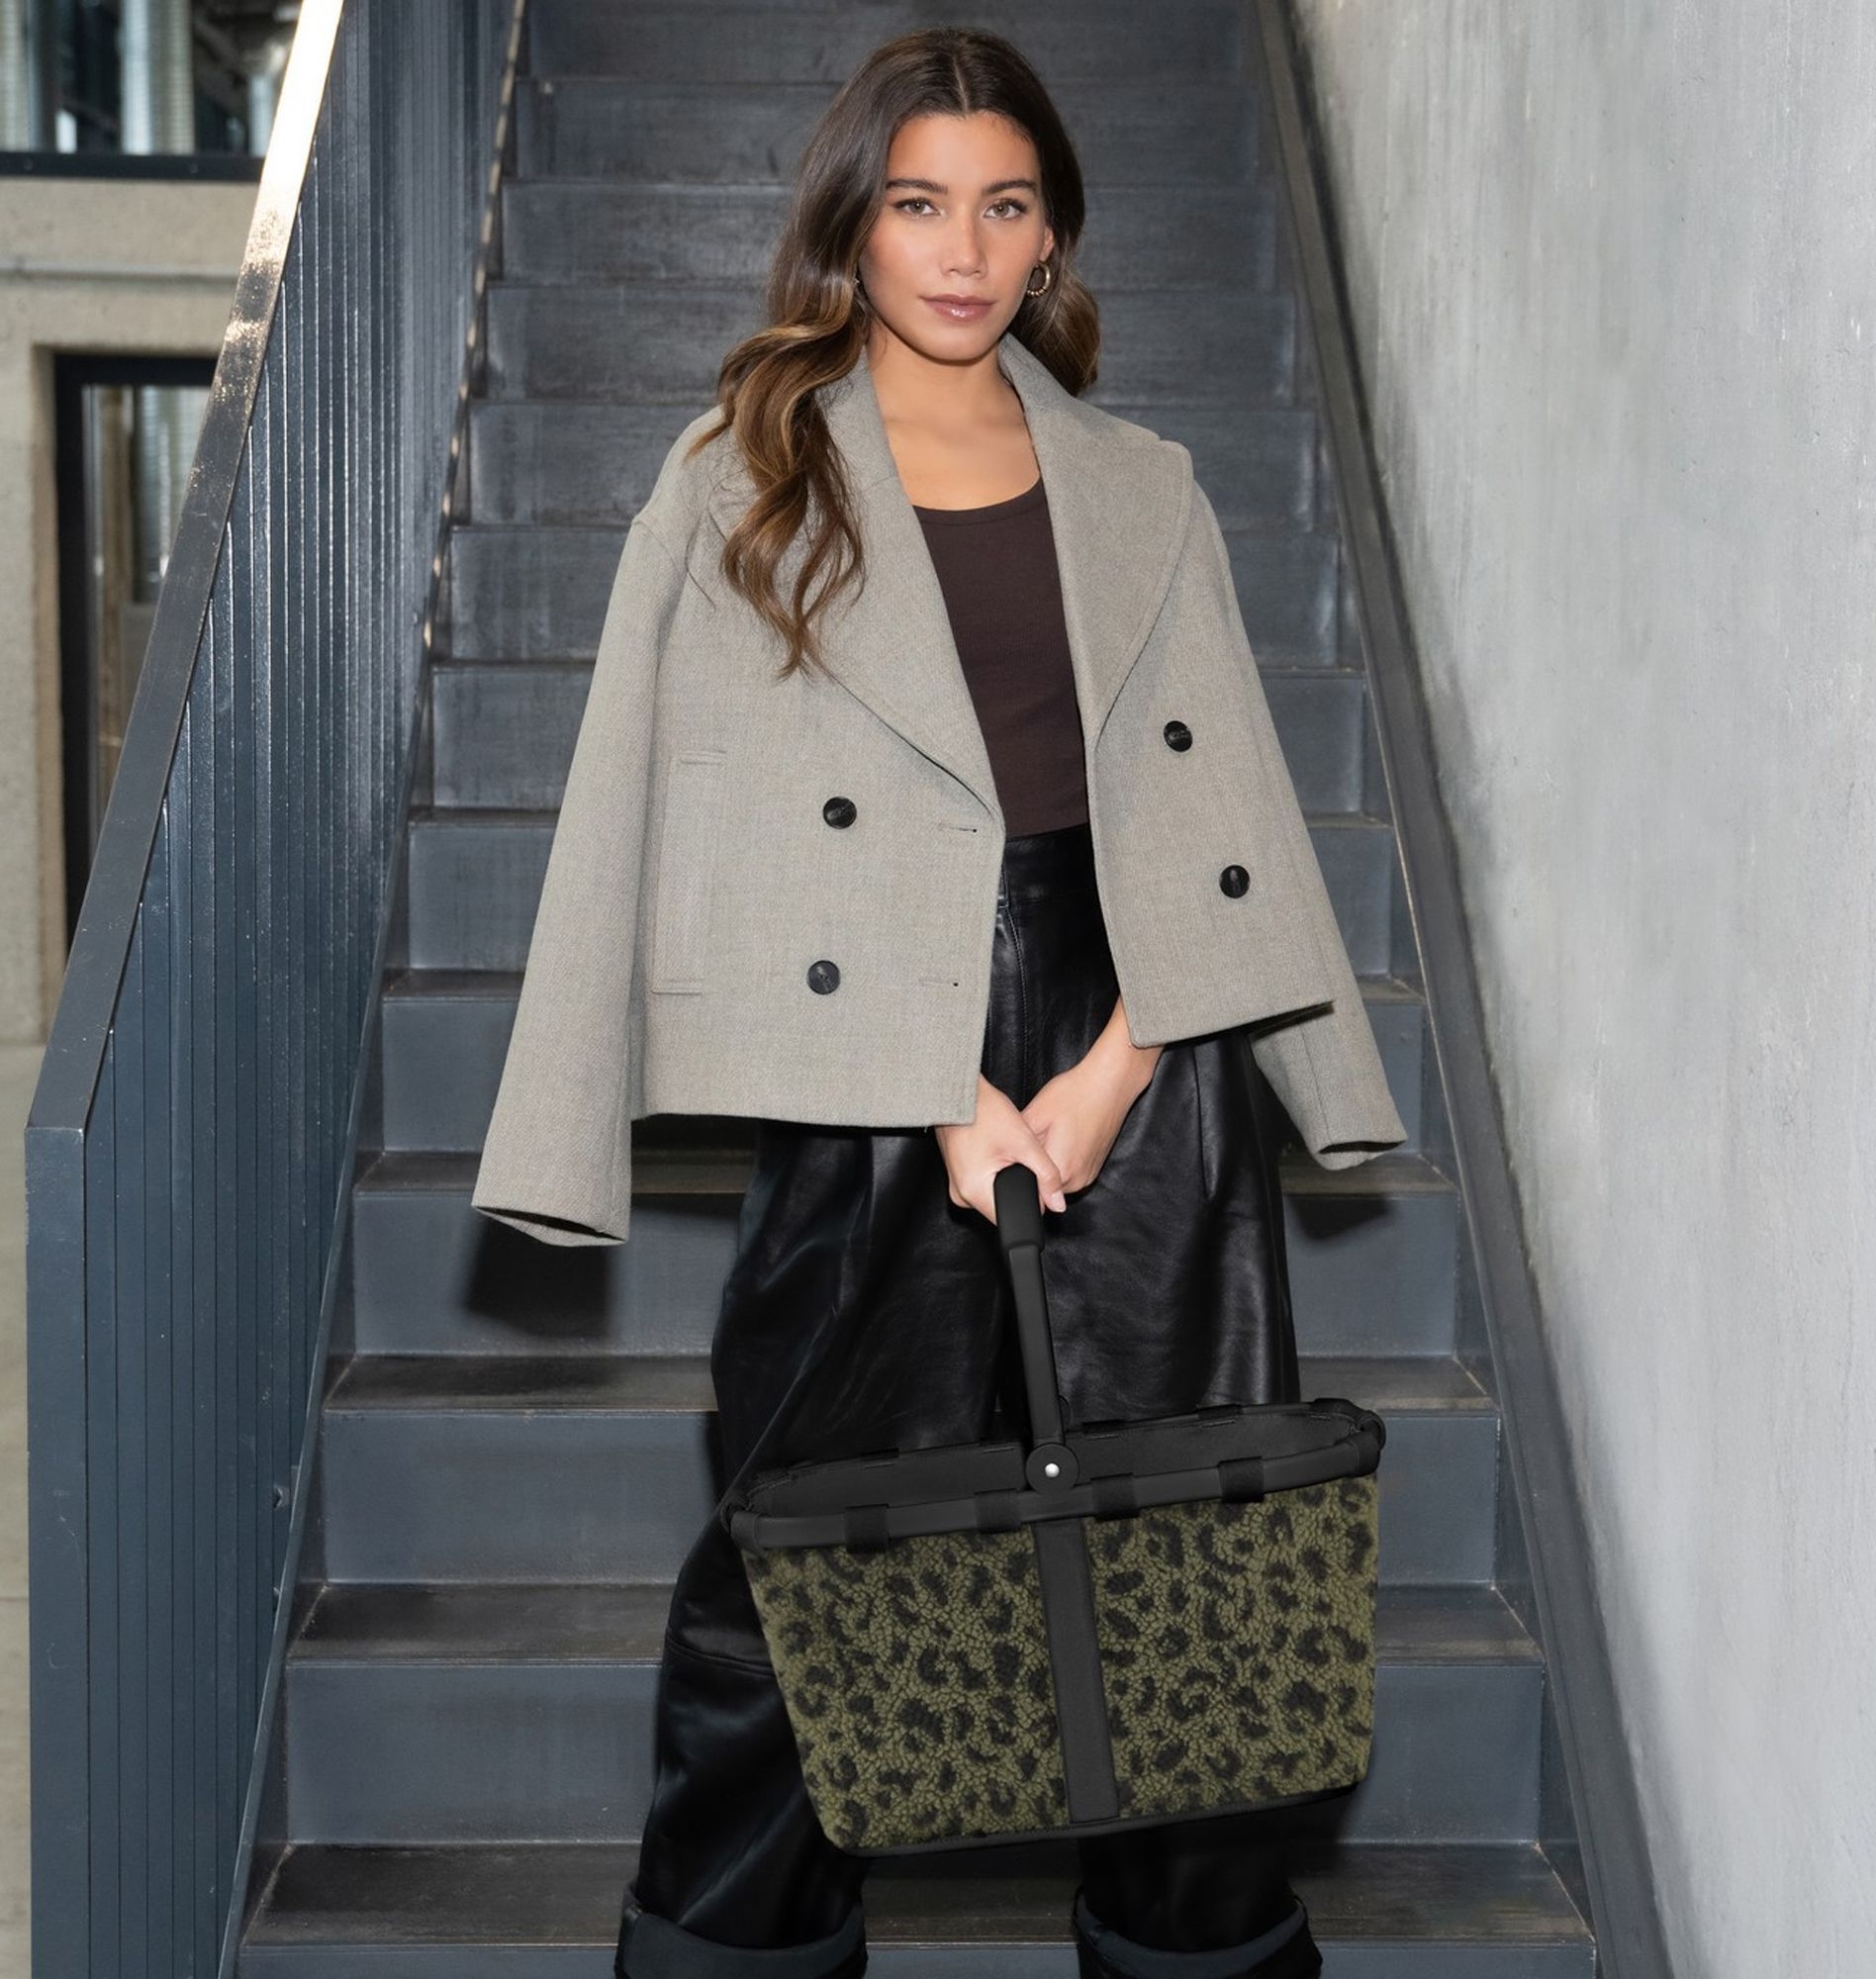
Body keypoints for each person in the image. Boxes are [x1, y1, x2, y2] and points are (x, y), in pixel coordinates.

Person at [472, 27, 1405, 1979]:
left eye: (1001, 203)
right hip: (870, 1049)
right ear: (853, 227)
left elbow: (1219, 802)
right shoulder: (740, 474)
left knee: (1193, 1579)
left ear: (1050, 228)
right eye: (915, 204)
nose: (959, 249)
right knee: (801, 1578)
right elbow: (629, 804)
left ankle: (1189, 1947)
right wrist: (932, 1090)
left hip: (1134, 1039)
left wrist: (1123, 1065)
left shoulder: (1145, 481)